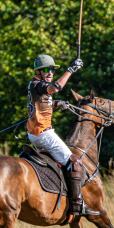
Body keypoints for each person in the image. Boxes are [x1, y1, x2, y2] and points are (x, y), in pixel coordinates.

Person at [26, 54, 99, 217]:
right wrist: (71, 69)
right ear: (38, 72)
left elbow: (47, 102)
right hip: (44, 134)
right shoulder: (38, 84)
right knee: (75, 162)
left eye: (52, 69)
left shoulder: (35, 85)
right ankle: (78, 204)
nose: (50, 72)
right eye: (47, 70)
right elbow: (55, 88)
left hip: (34, 134)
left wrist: (61, 104)